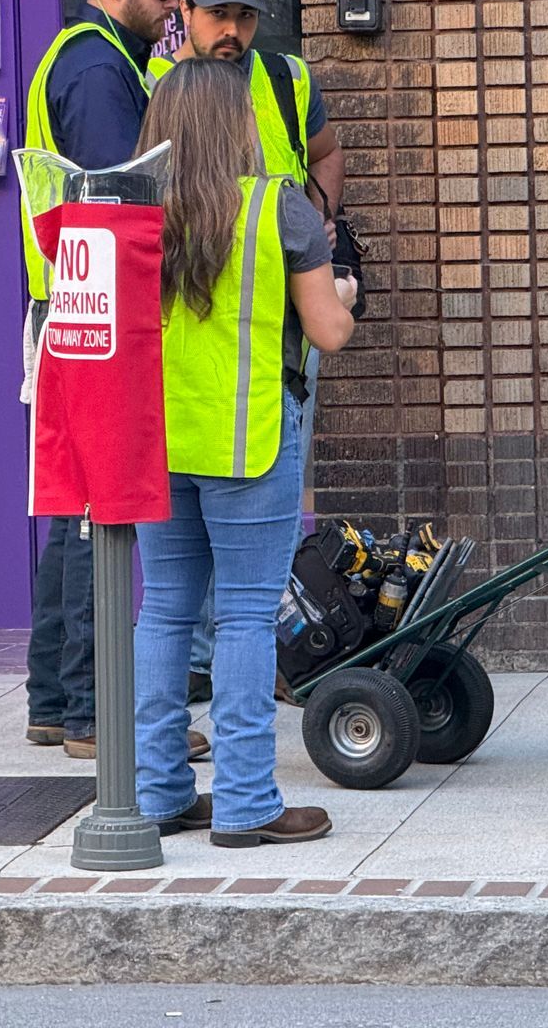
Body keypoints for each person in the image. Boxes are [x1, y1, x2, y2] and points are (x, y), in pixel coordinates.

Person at [130, 59, 358, 848]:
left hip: (157, 444)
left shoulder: (132, 215)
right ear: (239, 126)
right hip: (251, 438)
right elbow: (328, 330)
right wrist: (346, 300)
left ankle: (158, 793)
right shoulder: (278, 209)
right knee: (247, 619)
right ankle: (247, 803)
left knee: (162, 610)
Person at [21, 0, 205, 764]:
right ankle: (95, 714)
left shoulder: (96, 58)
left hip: (68, 310)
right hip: (94, 313)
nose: (175, 6)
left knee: (72, 513)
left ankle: (56, 702)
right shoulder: (98, 71)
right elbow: (117, 200)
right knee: (98, 514)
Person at [157, 0, 347, 703]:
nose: (231, 30)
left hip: (278, 323)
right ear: (186, 14)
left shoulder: (288, 80)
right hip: (200, 333)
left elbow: (325, 154)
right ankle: (223, 678)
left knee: (176, 593)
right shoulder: (159, 87)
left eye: (243, 16)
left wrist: (320, 222)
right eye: (217, 14)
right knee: (223, 592)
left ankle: (177, 746)